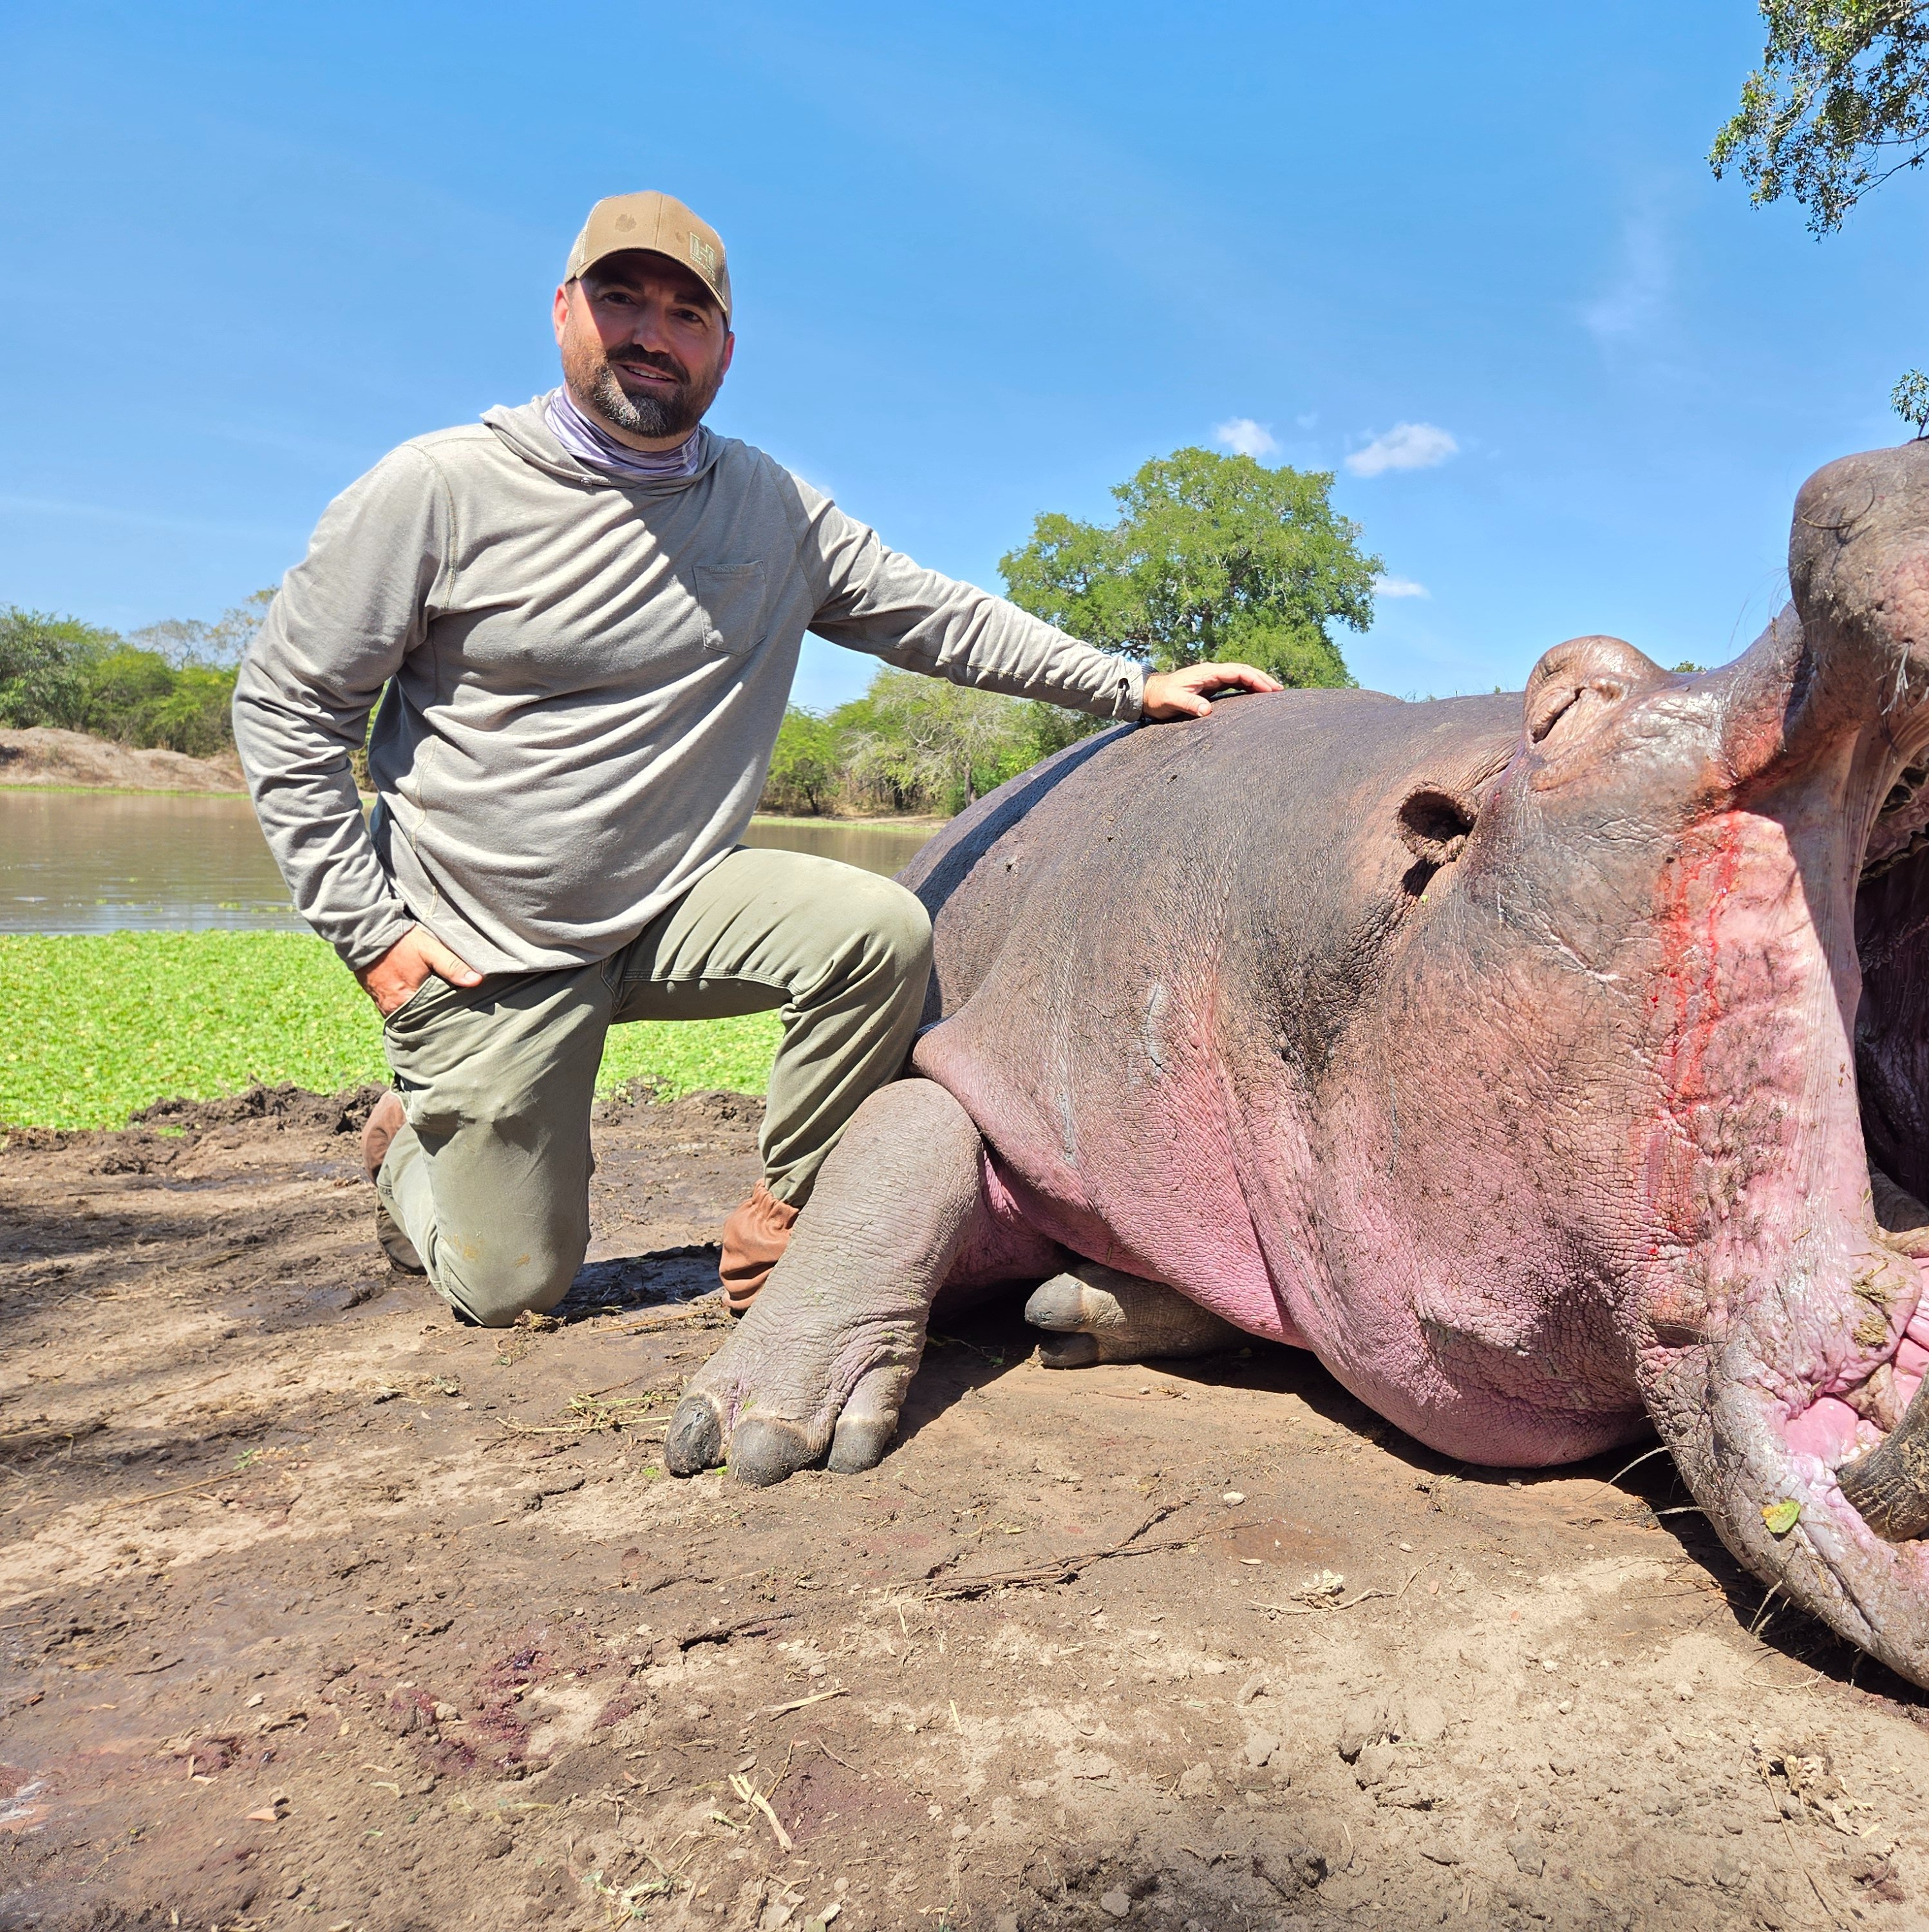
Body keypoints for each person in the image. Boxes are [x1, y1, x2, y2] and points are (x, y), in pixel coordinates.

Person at [234, 190, 1279, 1329]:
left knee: (878, 934)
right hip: (485, 946)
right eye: (620, 299)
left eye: (687, 314)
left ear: (724, 350)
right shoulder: (437, 489)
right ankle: (407, 1153)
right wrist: (372, 933)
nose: (651, 333)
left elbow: (937, 614)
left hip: (671, 908)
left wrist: (1128, 684)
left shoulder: (771, 507)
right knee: (511, 1288)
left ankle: (788, 1216)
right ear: (562, 312)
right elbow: (289, 707)